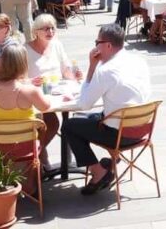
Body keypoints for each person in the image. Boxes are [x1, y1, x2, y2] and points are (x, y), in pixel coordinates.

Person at [62, 24, 151, 196]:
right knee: (83, 117)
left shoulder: (106, 71)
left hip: (120, 135)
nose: (95, 46)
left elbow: (85, 102)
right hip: (142, 128)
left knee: (69, 125)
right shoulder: (139, 60)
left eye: (97, 42)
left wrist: (92, 67)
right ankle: (110, 161)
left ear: (108, 45)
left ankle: (98, 172)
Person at [0, 43, 52, 170]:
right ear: (23, 64)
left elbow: (6, 86)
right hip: (25, 147)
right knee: (47, 123)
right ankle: (40, 167)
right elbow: (46, 106)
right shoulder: (30, 91)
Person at [26, 13, 80, 170]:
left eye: (52, 28)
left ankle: (40, 156)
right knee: (50, 124)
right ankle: (39, 156)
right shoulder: (25, 49)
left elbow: (66, 68)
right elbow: (19, 77)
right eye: (46, 29)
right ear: (36, 31)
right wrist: (30, 81)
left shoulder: (57, 45)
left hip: (57, 92)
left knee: (67, 122)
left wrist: (75, 77)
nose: (50, 32)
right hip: (36, 95)